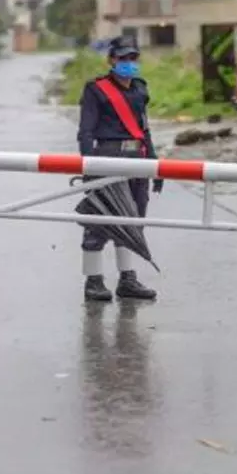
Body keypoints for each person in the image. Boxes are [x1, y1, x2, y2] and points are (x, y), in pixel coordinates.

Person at [76, 37, 162, 302]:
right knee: (101, 219)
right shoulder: (97, 89)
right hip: (108, 155)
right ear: (111, 60)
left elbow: (144, 129)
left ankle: (127, 279)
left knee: (133, 219)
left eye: (132, 58)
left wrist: (155, 165)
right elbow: (86, 131)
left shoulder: (140, 89)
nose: (128, 64)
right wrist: (89, 163)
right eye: (123, 59)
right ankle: (93, 281)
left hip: (138, 156)